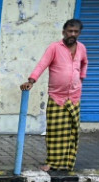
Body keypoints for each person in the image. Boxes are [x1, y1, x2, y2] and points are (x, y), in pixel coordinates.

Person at [20, 19, 88, 173]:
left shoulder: (82, 48)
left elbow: (84, 62)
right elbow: (42, 65)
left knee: (72, 131)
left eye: (75, 31)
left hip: (75, 97)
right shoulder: (54, 48)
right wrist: (31, 81)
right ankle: (51, 162)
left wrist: (81, 77)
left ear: (79, 33)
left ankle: (67, 163)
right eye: (70, 31)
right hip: (57, 97)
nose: (72, 34)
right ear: (63, 32)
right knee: (55, 132)